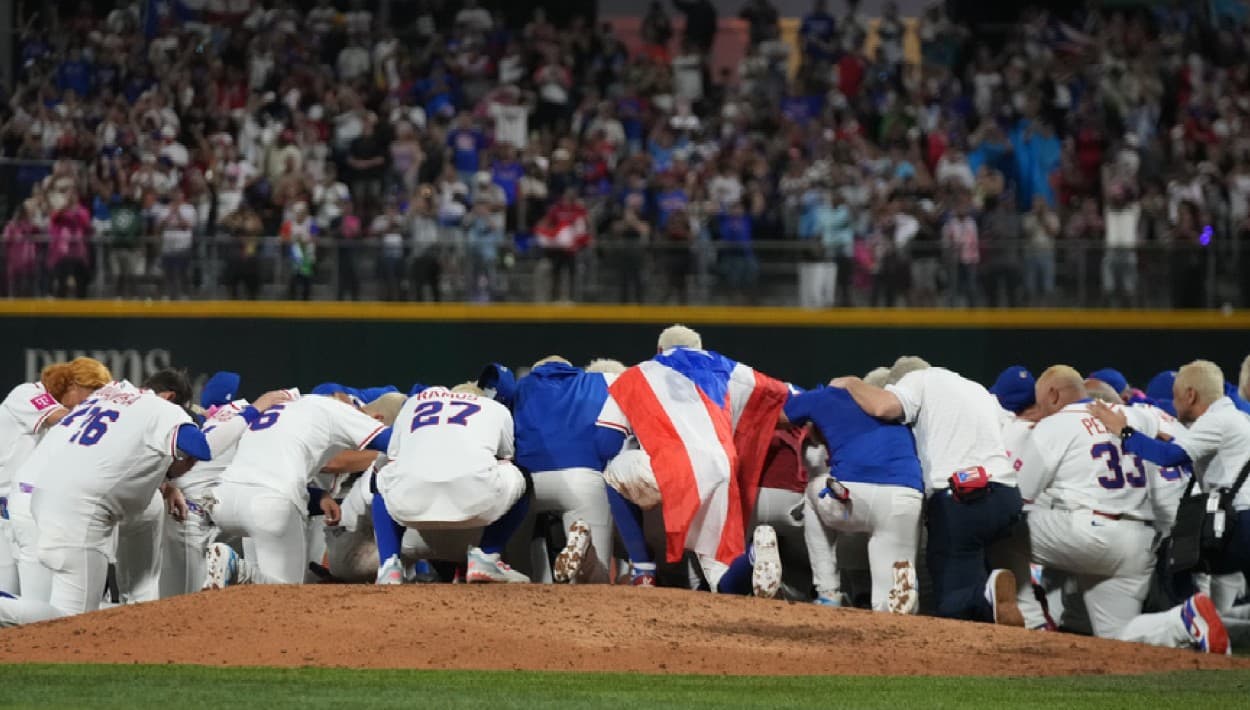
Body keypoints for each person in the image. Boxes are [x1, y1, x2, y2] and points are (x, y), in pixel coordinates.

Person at [1029, 365, 1231, 652]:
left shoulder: (1059, 423)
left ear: (1052, 395)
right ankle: (1183, 621)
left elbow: (1020, 496)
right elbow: (1177, 445)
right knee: (1118, 637)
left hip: (1101, 531)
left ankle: (1032, 620)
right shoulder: (1142, 415)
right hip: (1143, 541)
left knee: (1004, 524)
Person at [0, 371, 208, 626]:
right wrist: (188, 439)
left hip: (38, 498)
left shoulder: (105, 395)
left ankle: (137, 616)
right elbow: (200, 447)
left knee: (50, 610)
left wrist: (165, 482)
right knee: (71, 622)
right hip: (76, 512)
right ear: (170, 396)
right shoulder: (162, 408)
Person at [831, 356, 1026, 626]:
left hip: (960, 498)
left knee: (951, 603)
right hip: (1007, 495)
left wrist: (852, 383)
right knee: (973, 569)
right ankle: (991, 600)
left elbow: (883, 407)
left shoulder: (917, 380)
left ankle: (985, 595)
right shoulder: (977, 389)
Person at [599, 325, 790, 597]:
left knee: (613, 474)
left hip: (667, 467)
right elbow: (788, 399)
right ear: (700, 349)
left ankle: (642, 570)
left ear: (658, 351)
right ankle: (753, 554)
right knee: (722, 580)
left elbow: (604, 442)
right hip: (719, 470)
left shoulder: (639, 374)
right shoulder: (726, 368)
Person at [203, 392, 394, 587]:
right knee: (286, 592)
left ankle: (239, 570)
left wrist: (318, 497)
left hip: (224, 499)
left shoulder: (289, 408)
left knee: (258, 594)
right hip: (269, 504)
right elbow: (393, 443)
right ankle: (237, 567)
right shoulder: (337, 411)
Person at [783, 380, 925, 613]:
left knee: (811, 492)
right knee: (885, 604)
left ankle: (828, 593)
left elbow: (776, 416)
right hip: (905, 496)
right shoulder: (896, 411)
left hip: (852, 493)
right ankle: (897, 597)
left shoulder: (825, 396)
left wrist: (811, 425)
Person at [371, 384, 531, 585]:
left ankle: (389, 565)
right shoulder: (495, 408)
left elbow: (393, 455)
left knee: (382, 472)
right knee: (521, 474)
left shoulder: (413, 404)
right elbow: (507, 455)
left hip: (411, 513)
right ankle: (488, 556)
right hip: (474, 511)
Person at [0, 358, 112, 595]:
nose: (92, 402)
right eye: (91, 393)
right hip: (8, 512)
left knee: (22, 598)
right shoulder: (28, 393)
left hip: (18, 511)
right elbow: (60, 418)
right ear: (72, 385)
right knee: (11, 596)